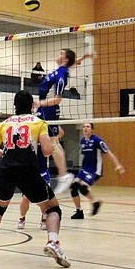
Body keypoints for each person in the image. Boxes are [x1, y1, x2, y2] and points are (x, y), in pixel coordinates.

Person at [0, 90, 70, 267]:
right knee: (53, 209)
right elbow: (47, 151)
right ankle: (53, 242)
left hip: (7, 170)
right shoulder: (39, 122)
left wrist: (5, 154)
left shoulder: (4, 124)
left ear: (15, 105)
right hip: (28, 171)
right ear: (32, 106)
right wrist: (53, 144)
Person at [33, 49, 91, 194]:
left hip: (48, 109)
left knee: (53, 143)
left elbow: (58, 99)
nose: (57, 55)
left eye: (61, 54)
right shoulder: (61, 70)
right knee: (49, 141)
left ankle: (63, 175)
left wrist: (39, 103)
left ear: (65, 59)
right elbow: (73, 62)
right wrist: (83, 58)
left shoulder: (61, 74)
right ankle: (58, 173)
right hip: (44, 110)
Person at [70, 122, 125, 219]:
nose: (85, 128)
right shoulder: (82, 141)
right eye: (84, 127)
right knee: (73, 187)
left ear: (92, 130)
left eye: (88, 127)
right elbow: (85, 156)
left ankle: (95, 203)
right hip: (84, 169)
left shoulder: (97, 140)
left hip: (95, 170)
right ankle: (79, 211)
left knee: (83, 188)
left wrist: (118, 164)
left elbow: (109, 153)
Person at [17, 128, 64, 231]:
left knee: (45, 199)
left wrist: (53, 130)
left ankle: (44, 219)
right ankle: (22, 218)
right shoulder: (28, 137)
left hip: (43, 171)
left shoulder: (46, 138)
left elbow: (60, 133)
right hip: (29, 171)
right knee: (25, 198)